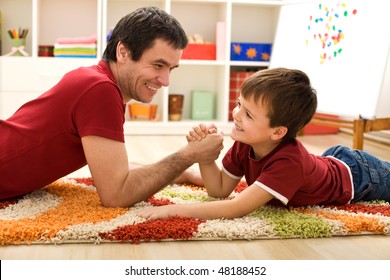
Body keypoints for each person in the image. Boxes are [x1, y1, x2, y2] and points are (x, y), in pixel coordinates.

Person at [0, 7, 224, 207]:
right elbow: (116, 194)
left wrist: (183, 172)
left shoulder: (100, 83)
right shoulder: (99, 90)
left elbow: (115, 170)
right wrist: (188, 155)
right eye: (158, 65)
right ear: (123, 52)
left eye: (171, 69)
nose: (166, 81)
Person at [139, 67, 390, 220]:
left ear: (277, 132)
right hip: (331, 160)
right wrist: (205, 158)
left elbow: (235, 208)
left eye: (248, 114)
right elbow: (218, 191)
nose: (236, 114)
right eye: (239, 104)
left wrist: (173, 210)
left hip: (362, 176)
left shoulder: (289, 163)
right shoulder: (245, 142)